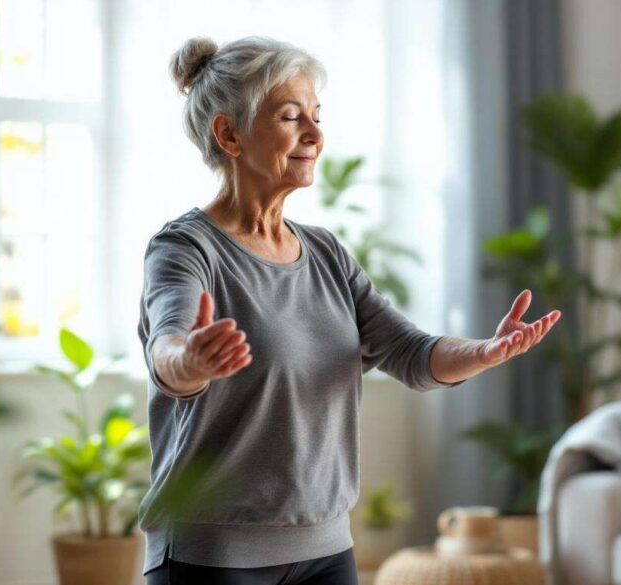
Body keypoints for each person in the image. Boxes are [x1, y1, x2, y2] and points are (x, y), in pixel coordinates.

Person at [137, 35, 561, 585]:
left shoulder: (327, 254)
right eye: (292, 117)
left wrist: (483, 352)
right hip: (212, 554)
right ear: (229, 133)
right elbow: (167, 347)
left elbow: (411, 353)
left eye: (317, 116)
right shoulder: (186, 249)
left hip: (326, 551)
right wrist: (189, 361)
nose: (315, 135)